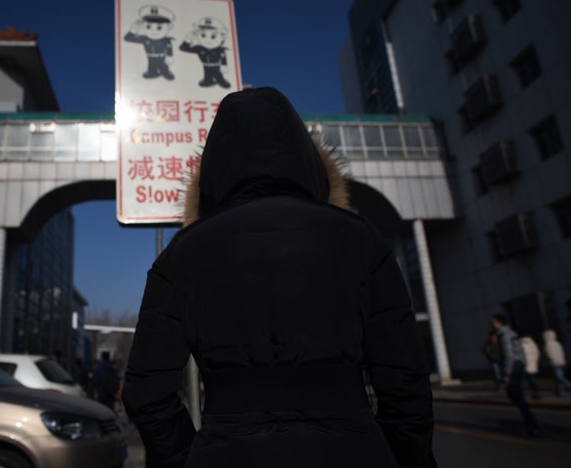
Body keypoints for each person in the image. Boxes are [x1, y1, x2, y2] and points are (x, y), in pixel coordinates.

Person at [122, 87, 437, 467]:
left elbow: (145, 390)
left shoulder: (182, 253)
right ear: (305, 154)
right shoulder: (361, 239)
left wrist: (183, 458)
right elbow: (405, 380)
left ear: (215, 162)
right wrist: (402, 455)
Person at [491, 314, 538, 436]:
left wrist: (506, 375)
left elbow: (508, 355)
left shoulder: (505, 335)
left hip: (514, 367)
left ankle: (531, 423)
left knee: (515, 394)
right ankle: (530, 422)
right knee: (515, 395)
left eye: (493, 322)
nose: (492, 324)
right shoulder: (510, 333)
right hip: (519, 365)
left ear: (499, 323)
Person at [542, 329, 571, 396]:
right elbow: (562, 352)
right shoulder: (557, 343)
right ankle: (558, 392)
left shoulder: (548, 344)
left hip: (555, 363)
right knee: (557, 377)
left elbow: (548, 354)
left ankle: (569, 386)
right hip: (562, 362)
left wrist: (551, 360)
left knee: (559, 377)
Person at [519, 332, 541, 399]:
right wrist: (535, 361)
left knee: (521, 380)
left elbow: (520, 354)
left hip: (525, 364)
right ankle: (536, 392)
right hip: (533, 364)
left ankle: (520, 393)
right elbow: (537, 353)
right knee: (532, 378)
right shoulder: (533, 343)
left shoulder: (521, 343)